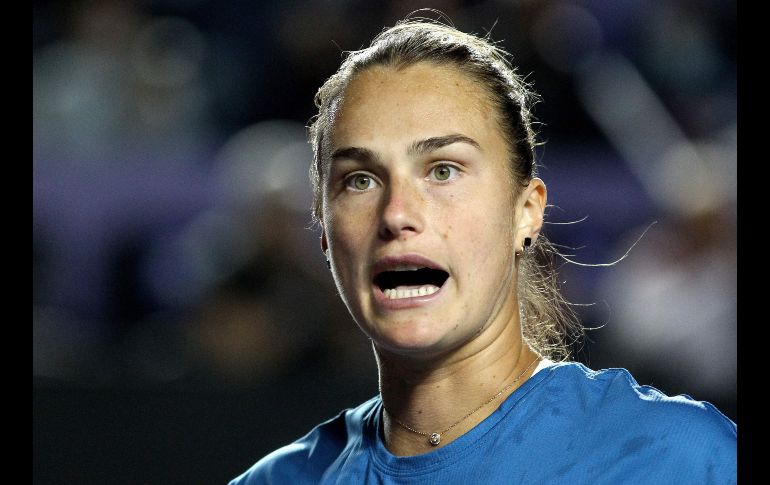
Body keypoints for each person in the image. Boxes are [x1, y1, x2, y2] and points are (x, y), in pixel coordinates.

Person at [230, 18, 736, 484]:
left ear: (526, 211)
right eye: (360, 180)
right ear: (324, 235)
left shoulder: (678, 460)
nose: (396, 213)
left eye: (443, 170)